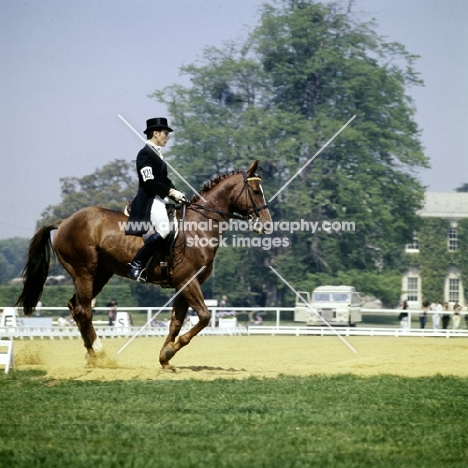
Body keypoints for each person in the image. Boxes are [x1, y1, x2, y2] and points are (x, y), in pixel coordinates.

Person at [125, 117, 187, 283]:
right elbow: (149, 182)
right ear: (155, 133)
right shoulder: (145, 154)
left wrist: (178, 194)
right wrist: (170, 192)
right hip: (150, 199)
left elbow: (164, 181)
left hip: (160, 198)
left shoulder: (157, 154)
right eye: (165, 134)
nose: (168, 137)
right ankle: (137, 264)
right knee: (165, 230)